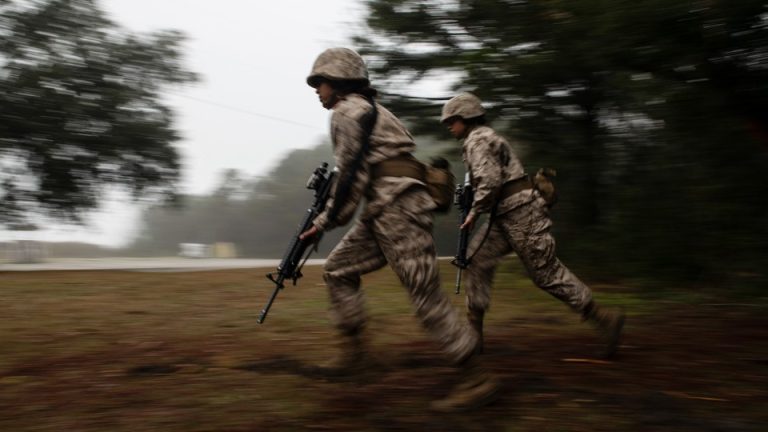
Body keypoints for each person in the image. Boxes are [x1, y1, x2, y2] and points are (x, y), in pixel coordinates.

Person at [299, 48, 498, 411]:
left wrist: (323, 222)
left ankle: (476, 377)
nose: (317, 89)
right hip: (383, 211)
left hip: (398, 211)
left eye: (321, 82)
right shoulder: (375, 112)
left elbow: (351, 179)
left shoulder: (347, 112)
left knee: (426, 298)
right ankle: (357, 357)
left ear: (341, 82)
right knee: (338, 271)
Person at [441, 92, 625, 359]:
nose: (449, 126)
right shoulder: (481, 138)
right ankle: (473, 335)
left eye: (452, 120)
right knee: (477, 260)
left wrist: (473, 211)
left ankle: (604, 320)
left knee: (545, 274)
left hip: (521, 213)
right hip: (503, 215)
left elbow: (490, 182)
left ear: (466, 117)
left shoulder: (478, 140)